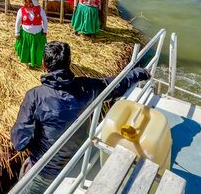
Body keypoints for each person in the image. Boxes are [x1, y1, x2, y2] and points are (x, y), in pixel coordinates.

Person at [11, 41, 150, 193]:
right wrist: (139, 73)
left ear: (44, 64)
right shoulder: (87, 86)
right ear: (69, 62)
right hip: (79, 157)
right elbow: (116, 85)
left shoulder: (35, 96)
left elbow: (20, 142)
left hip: (45, 174)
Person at [15, 0, 48, 67]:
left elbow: (45, 20)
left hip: (38, 34)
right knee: (27, 49)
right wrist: (17, 33)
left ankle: (37, 62)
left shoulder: (40, 9)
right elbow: (17, 22)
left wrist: (45, 31)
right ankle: (28, 62)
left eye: (30, 2)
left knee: (38, 49)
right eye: (26, 2)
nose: (28, 4)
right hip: (26, 34)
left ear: (33, 2)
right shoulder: (21, 10)